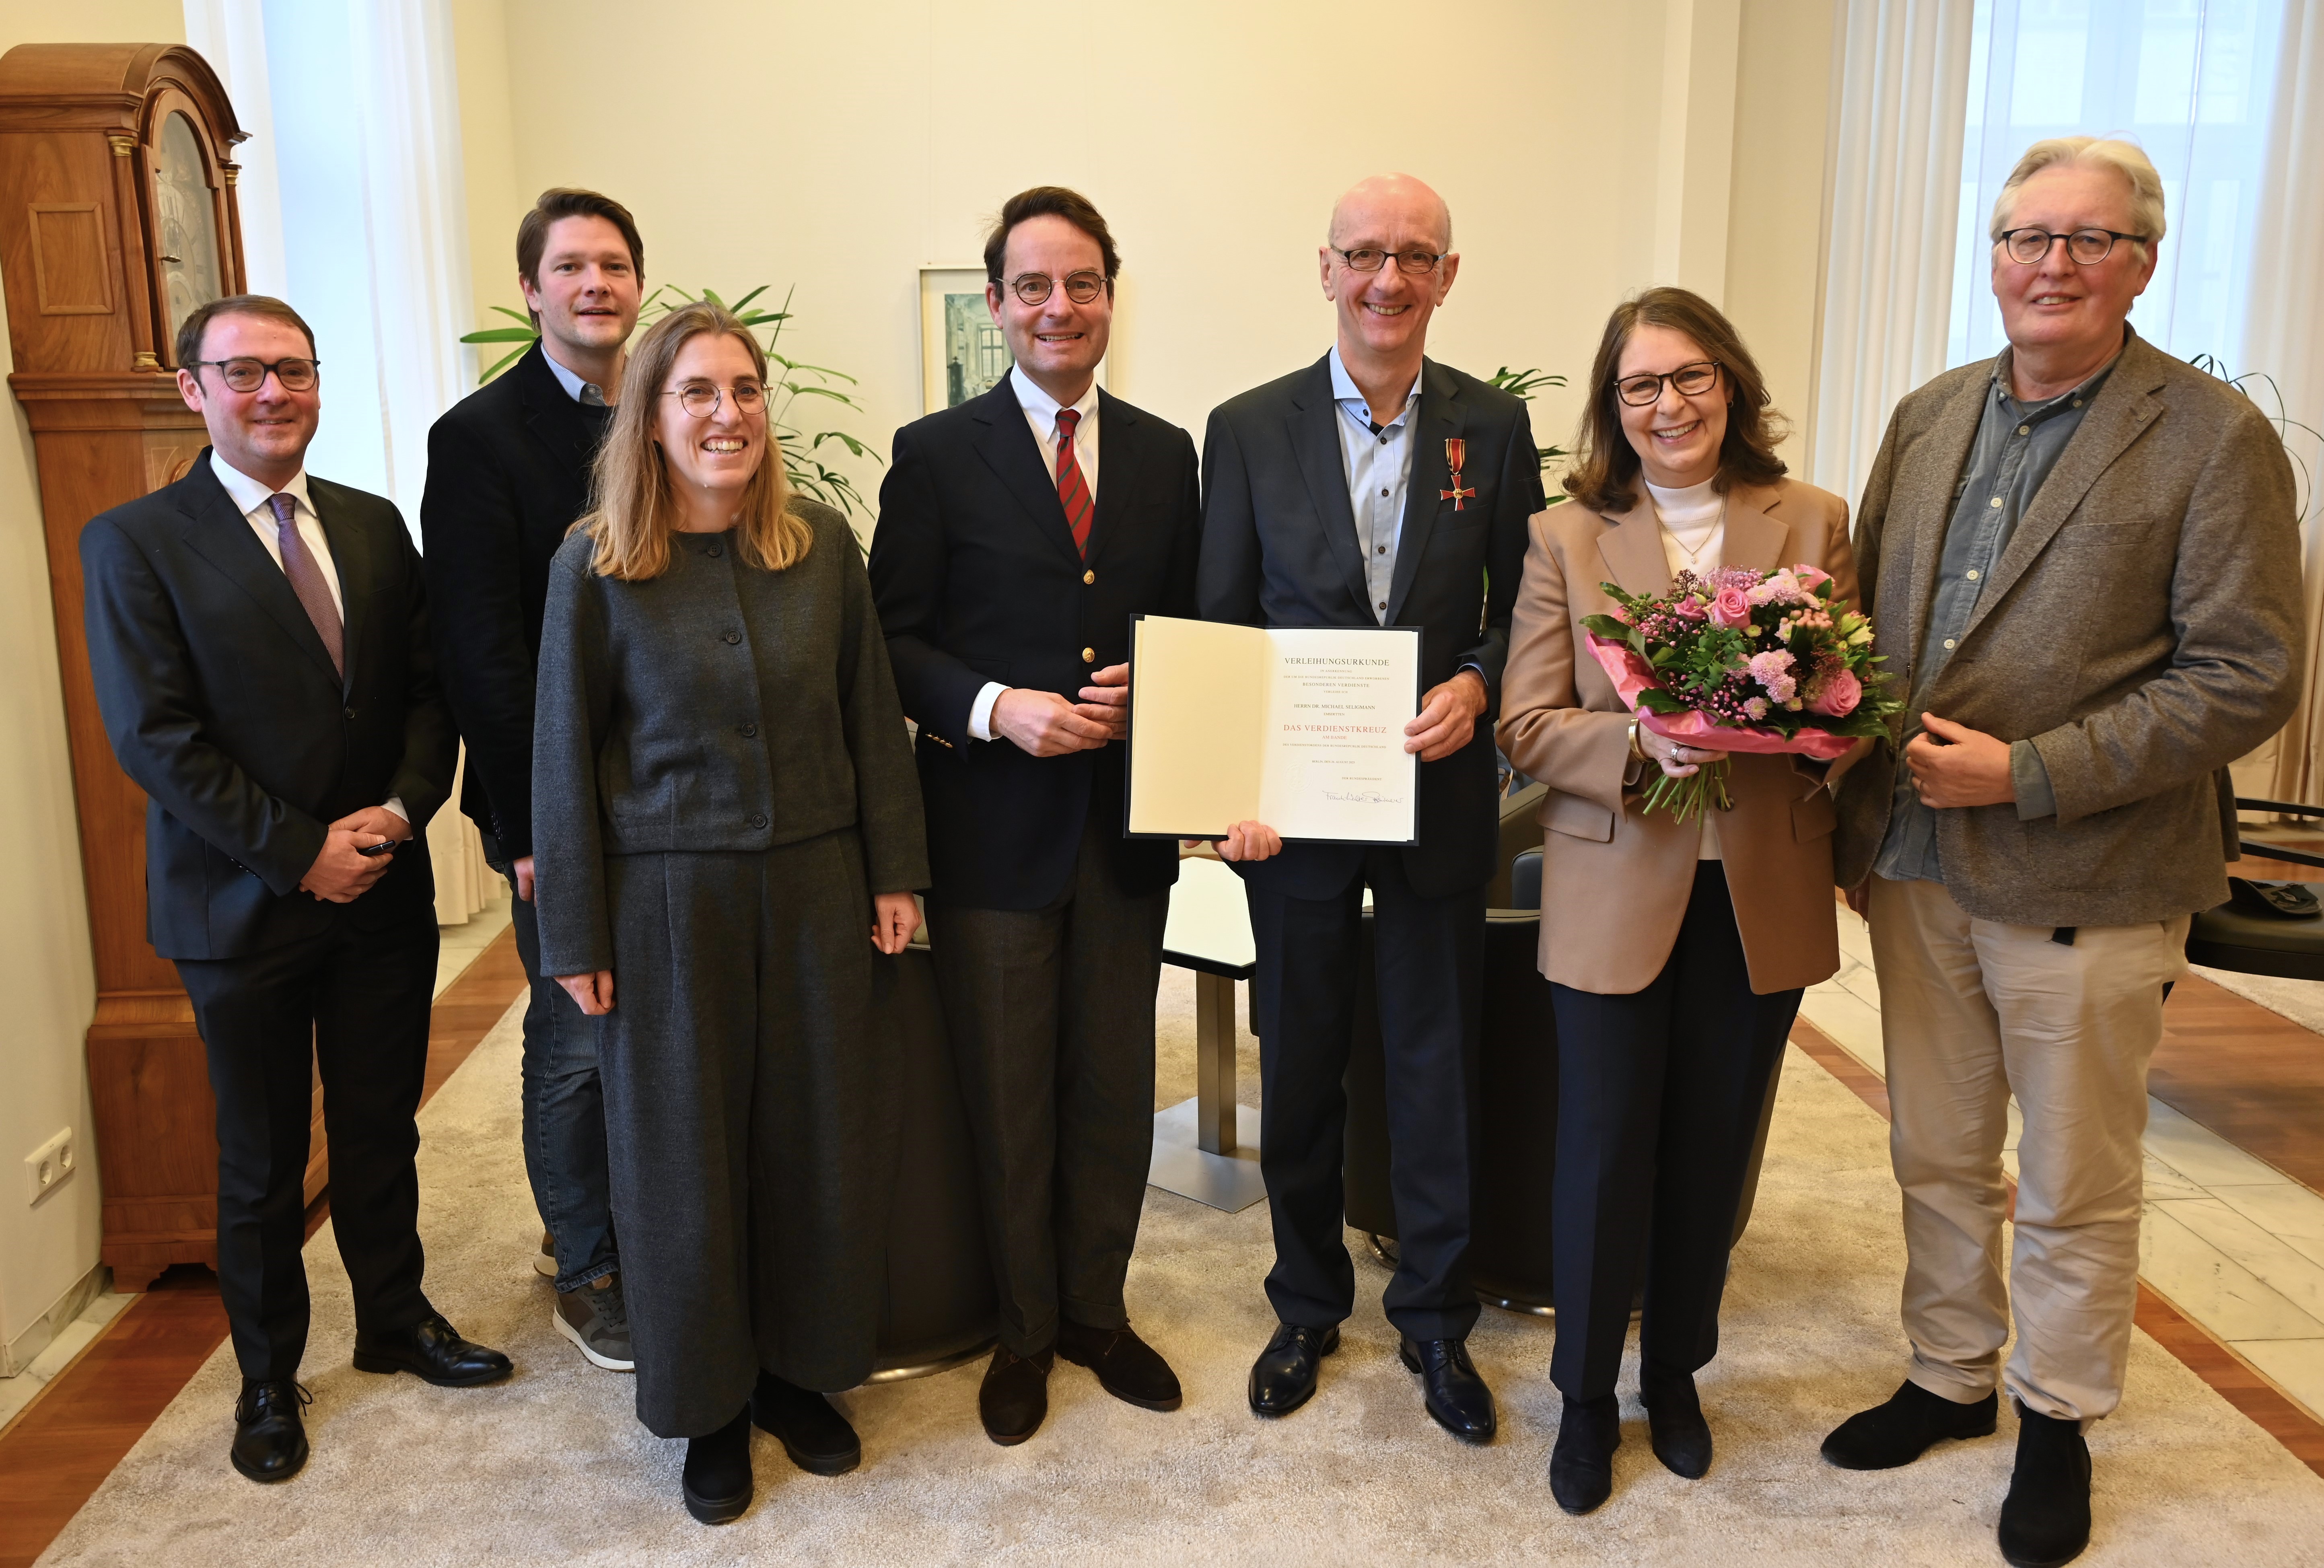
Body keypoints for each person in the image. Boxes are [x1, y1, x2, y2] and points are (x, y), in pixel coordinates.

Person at [1826, 137, 2302, 1568]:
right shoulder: (1928, 415)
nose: (2051, 265)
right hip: (1915, 863)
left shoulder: (2212, 437)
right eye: (2026, 237)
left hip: (2088, 875)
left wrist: (2026, 773)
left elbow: (2246, 674)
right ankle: (1948, 1373)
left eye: (2088, 240)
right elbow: (1864, 621)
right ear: (1993, 257)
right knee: (1933, 1147)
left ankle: (2056, 1410)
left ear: (2140, 263)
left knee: (2074, 1175)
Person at [80, 295, 510, 1486]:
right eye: (244, 372)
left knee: (381, 1125)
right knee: (262, 1157)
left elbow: (427, 692)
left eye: (294, 369)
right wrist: (297, 848)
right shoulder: (135, 540)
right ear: (193, 390)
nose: (274, 392)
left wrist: (403, 811)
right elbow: (155, 736)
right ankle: (268, 1377)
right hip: (239, 903)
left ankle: (394, 1320)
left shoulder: (371, 524)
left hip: (379, 888)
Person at [531, 301, 928, 1526]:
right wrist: (576, 936)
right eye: (697, 392)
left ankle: (799, 1373)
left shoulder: (821, 547)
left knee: (818, 1138)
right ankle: (708, 1402)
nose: (727, 413)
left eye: (745, 390)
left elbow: (872, 718)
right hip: (666, 902)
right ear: (650, 418)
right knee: (682, 1160)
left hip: (816, 886)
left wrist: (895, 871)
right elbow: (562, 754)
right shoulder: (595, 564)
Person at [1496, 287, 1856, 1512]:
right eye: (1641, 385)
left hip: (1759, 888)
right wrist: (1639, 742)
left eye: (1691, 377)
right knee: (1602, 1152)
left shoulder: (1811, 517)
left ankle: (1675, 1375)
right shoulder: (1564, 536)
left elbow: (1853, 696)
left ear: (1731, 384)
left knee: (1713, 1147)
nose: (1669, 405)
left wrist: (1806, 724)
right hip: (1614, 887)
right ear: (1615, 405)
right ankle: (1585, 1398)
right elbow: (1526, 723)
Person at [1198, 173, 1543, 1441]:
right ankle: (1305, 1303)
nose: (1385, 279)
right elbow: (1221, 623)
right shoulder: (1247, 427)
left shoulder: (1492, 427)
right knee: (1299, 1064)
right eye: (1362, 255)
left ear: (1446, 275)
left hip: (1435, 793)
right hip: (1293, 810)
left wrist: (1478, 680)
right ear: (1325, 269)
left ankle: (1435, 1320)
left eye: (1411, 256)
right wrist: (1226, 792)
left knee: (1431, 1064)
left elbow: (1527, 607)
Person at [868, 187, 1208, 1445]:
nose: (1058, 307)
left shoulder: (1168, 454)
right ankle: (1021, 1329)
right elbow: (889, 641)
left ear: (1110, 295)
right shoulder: (933, 453)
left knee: (1113, 1087)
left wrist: (1155, 687)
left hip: (1123, 833)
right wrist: (993, 705)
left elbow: (1198, 629)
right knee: (1007, 1098)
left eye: (1082, 284)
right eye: (1032, 286)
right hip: (992, 835)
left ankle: (1094, 1314)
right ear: (997, 304)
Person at [421, 186, 643, 1375]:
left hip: (663, 792)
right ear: (531, 290)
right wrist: (528, 824)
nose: (594, 284)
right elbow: (481, 654)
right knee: (571, 1037)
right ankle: (585, 1266)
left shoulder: (662, 408)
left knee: (644, 1027)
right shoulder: (479, 438)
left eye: (613, 265)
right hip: (549, 800)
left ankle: (632, 1226)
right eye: (570, 267)